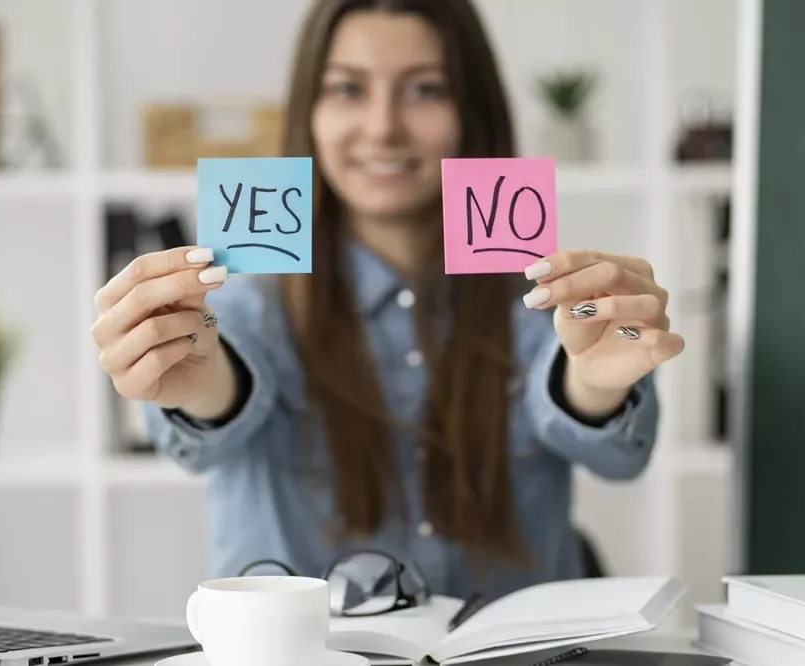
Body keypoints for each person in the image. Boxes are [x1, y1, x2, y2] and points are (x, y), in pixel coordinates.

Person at [90, 0, 684, 603]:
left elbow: (609, 441)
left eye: (425, 90)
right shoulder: (249, 295)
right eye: (347, 88)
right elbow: (224, 376)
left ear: (472, 110)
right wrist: (190, 376)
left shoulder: (539, 293)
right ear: (309, 113)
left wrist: (594, 382)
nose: (382, 128)